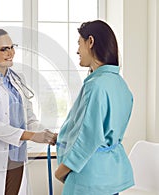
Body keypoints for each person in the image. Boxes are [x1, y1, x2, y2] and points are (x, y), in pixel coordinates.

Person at [0, 29, 57, 195]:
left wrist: (45, 133)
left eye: (12, 47)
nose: (10, 53)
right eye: (4, 49)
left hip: (16, 155)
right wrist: (32, 136)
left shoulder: (18, 78)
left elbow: (29, 118)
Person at [54, 20, 134, 195]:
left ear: (90, 42)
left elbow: (88, 137)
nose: (77, 51)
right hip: (110, 177)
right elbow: (104, 130)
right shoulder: (121, 85)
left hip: (88, 178)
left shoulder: (96, 86)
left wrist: (61, 171)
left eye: (79, 44)